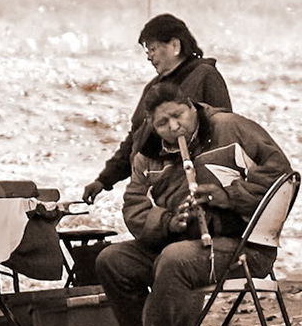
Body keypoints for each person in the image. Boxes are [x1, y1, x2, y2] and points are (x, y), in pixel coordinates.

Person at [96, 81, 293, 326]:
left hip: (244, 247)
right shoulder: (147, 152)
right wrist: (168, 221)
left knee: (176, 259)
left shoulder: (231, 128)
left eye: (179, 115)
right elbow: (134, 205)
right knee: (112, 261)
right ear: (152, 124)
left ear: (191, 106)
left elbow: (281, 177)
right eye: (163, 123)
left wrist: (227, 196)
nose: (174, 127)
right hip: (179, 243)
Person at [81, 14, 231, 206]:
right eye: (147, 51)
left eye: (152, 49)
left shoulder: (205, 76)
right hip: (157, 189)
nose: (149, 57)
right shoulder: (154, 87)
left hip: (193, 187)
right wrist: (104, 180)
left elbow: (223, 134)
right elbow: (137, 138)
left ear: (175, 46)